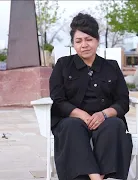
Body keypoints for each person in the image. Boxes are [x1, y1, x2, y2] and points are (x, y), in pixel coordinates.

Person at [49, 13, 132, 180]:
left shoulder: (111, 66)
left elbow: (123, 101)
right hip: (71, 119)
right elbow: (58, 100)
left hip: (105, 119)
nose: (84, 45)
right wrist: (81, 115)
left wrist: (104, 114)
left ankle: (101, 175)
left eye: (89, 40)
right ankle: (96, 177)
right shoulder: (63, 65)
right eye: (78, 41)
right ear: (73, 44)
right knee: (72, 127)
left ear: (97, 40)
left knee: (115, 125)